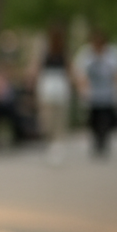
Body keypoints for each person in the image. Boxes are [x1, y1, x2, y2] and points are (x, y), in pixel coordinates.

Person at [72, 28, 117, 158]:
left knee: (106, 120)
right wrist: (82, 90)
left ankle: (103, 142)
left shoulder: (113, 54)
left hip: (107, 94)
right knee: (94, 121)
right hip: (92, 95)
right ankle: (96, 142)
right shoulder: (86, 54)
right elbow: (80, 73)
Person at [30, 23, 74, 165]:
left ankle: (57, 146)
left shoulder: (63, 51)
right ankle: (51, 143)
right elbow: (37, 68)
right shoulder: (45, 51)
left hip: (59, 87)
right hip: (48, 87)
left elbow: (69, 69)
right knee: (48, 118)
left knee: (59, 119)